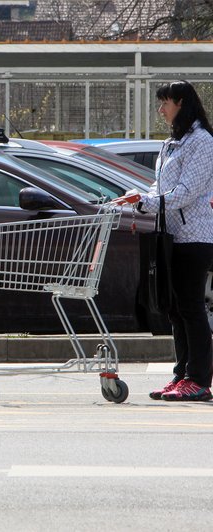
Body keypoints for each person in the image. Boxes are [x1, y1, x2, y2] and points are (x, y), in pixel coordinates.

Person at [115, 80, 213, 401]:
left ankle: (199, 379)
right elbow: (161, 185)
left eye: (165, 103)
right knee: (174, 309)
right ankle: (182, 374)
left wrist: (145, 201)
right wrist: (139, 196)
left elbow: (187, 192)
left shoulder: (202, 141)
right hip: (172, 235)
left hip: (194, 236)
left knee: (191, 307)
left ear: (182, 103)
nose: (161, 110)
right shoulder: (174, 142)